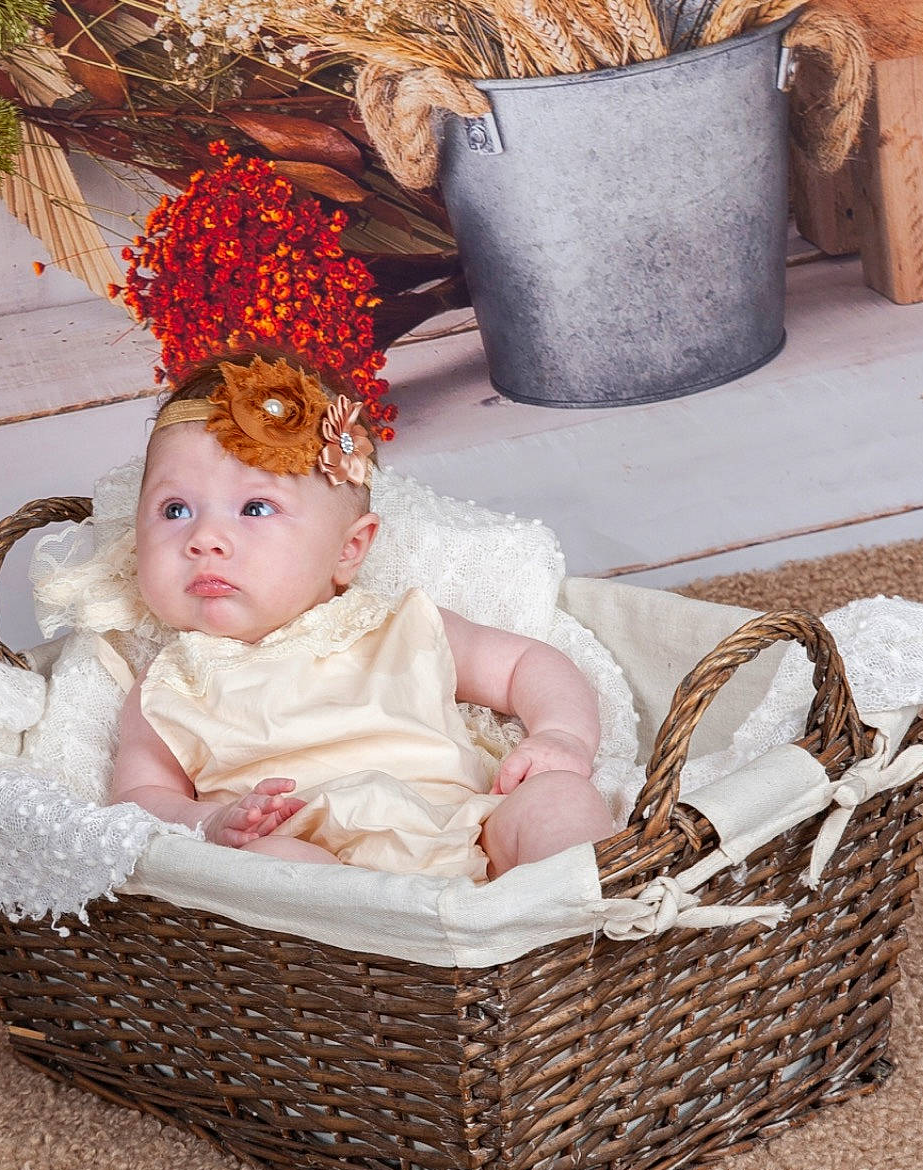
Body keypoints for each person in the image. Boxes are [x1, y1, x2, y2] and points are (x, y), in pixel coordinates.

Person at [109, 352, 619, 880]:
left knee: (559, 801)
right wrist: (210, 822)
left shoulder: (399, 626)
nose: (204, 540)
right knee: (270, 869)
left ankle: (576, 929)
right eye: (175, 510)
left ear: (349, 549)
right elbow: (141, 798)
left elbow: (524, 666)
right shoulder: (169, 685)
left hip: (469, 834)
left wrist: (562, 735)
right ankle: (397, 947)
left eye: (255, 508)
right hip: (311, 857)